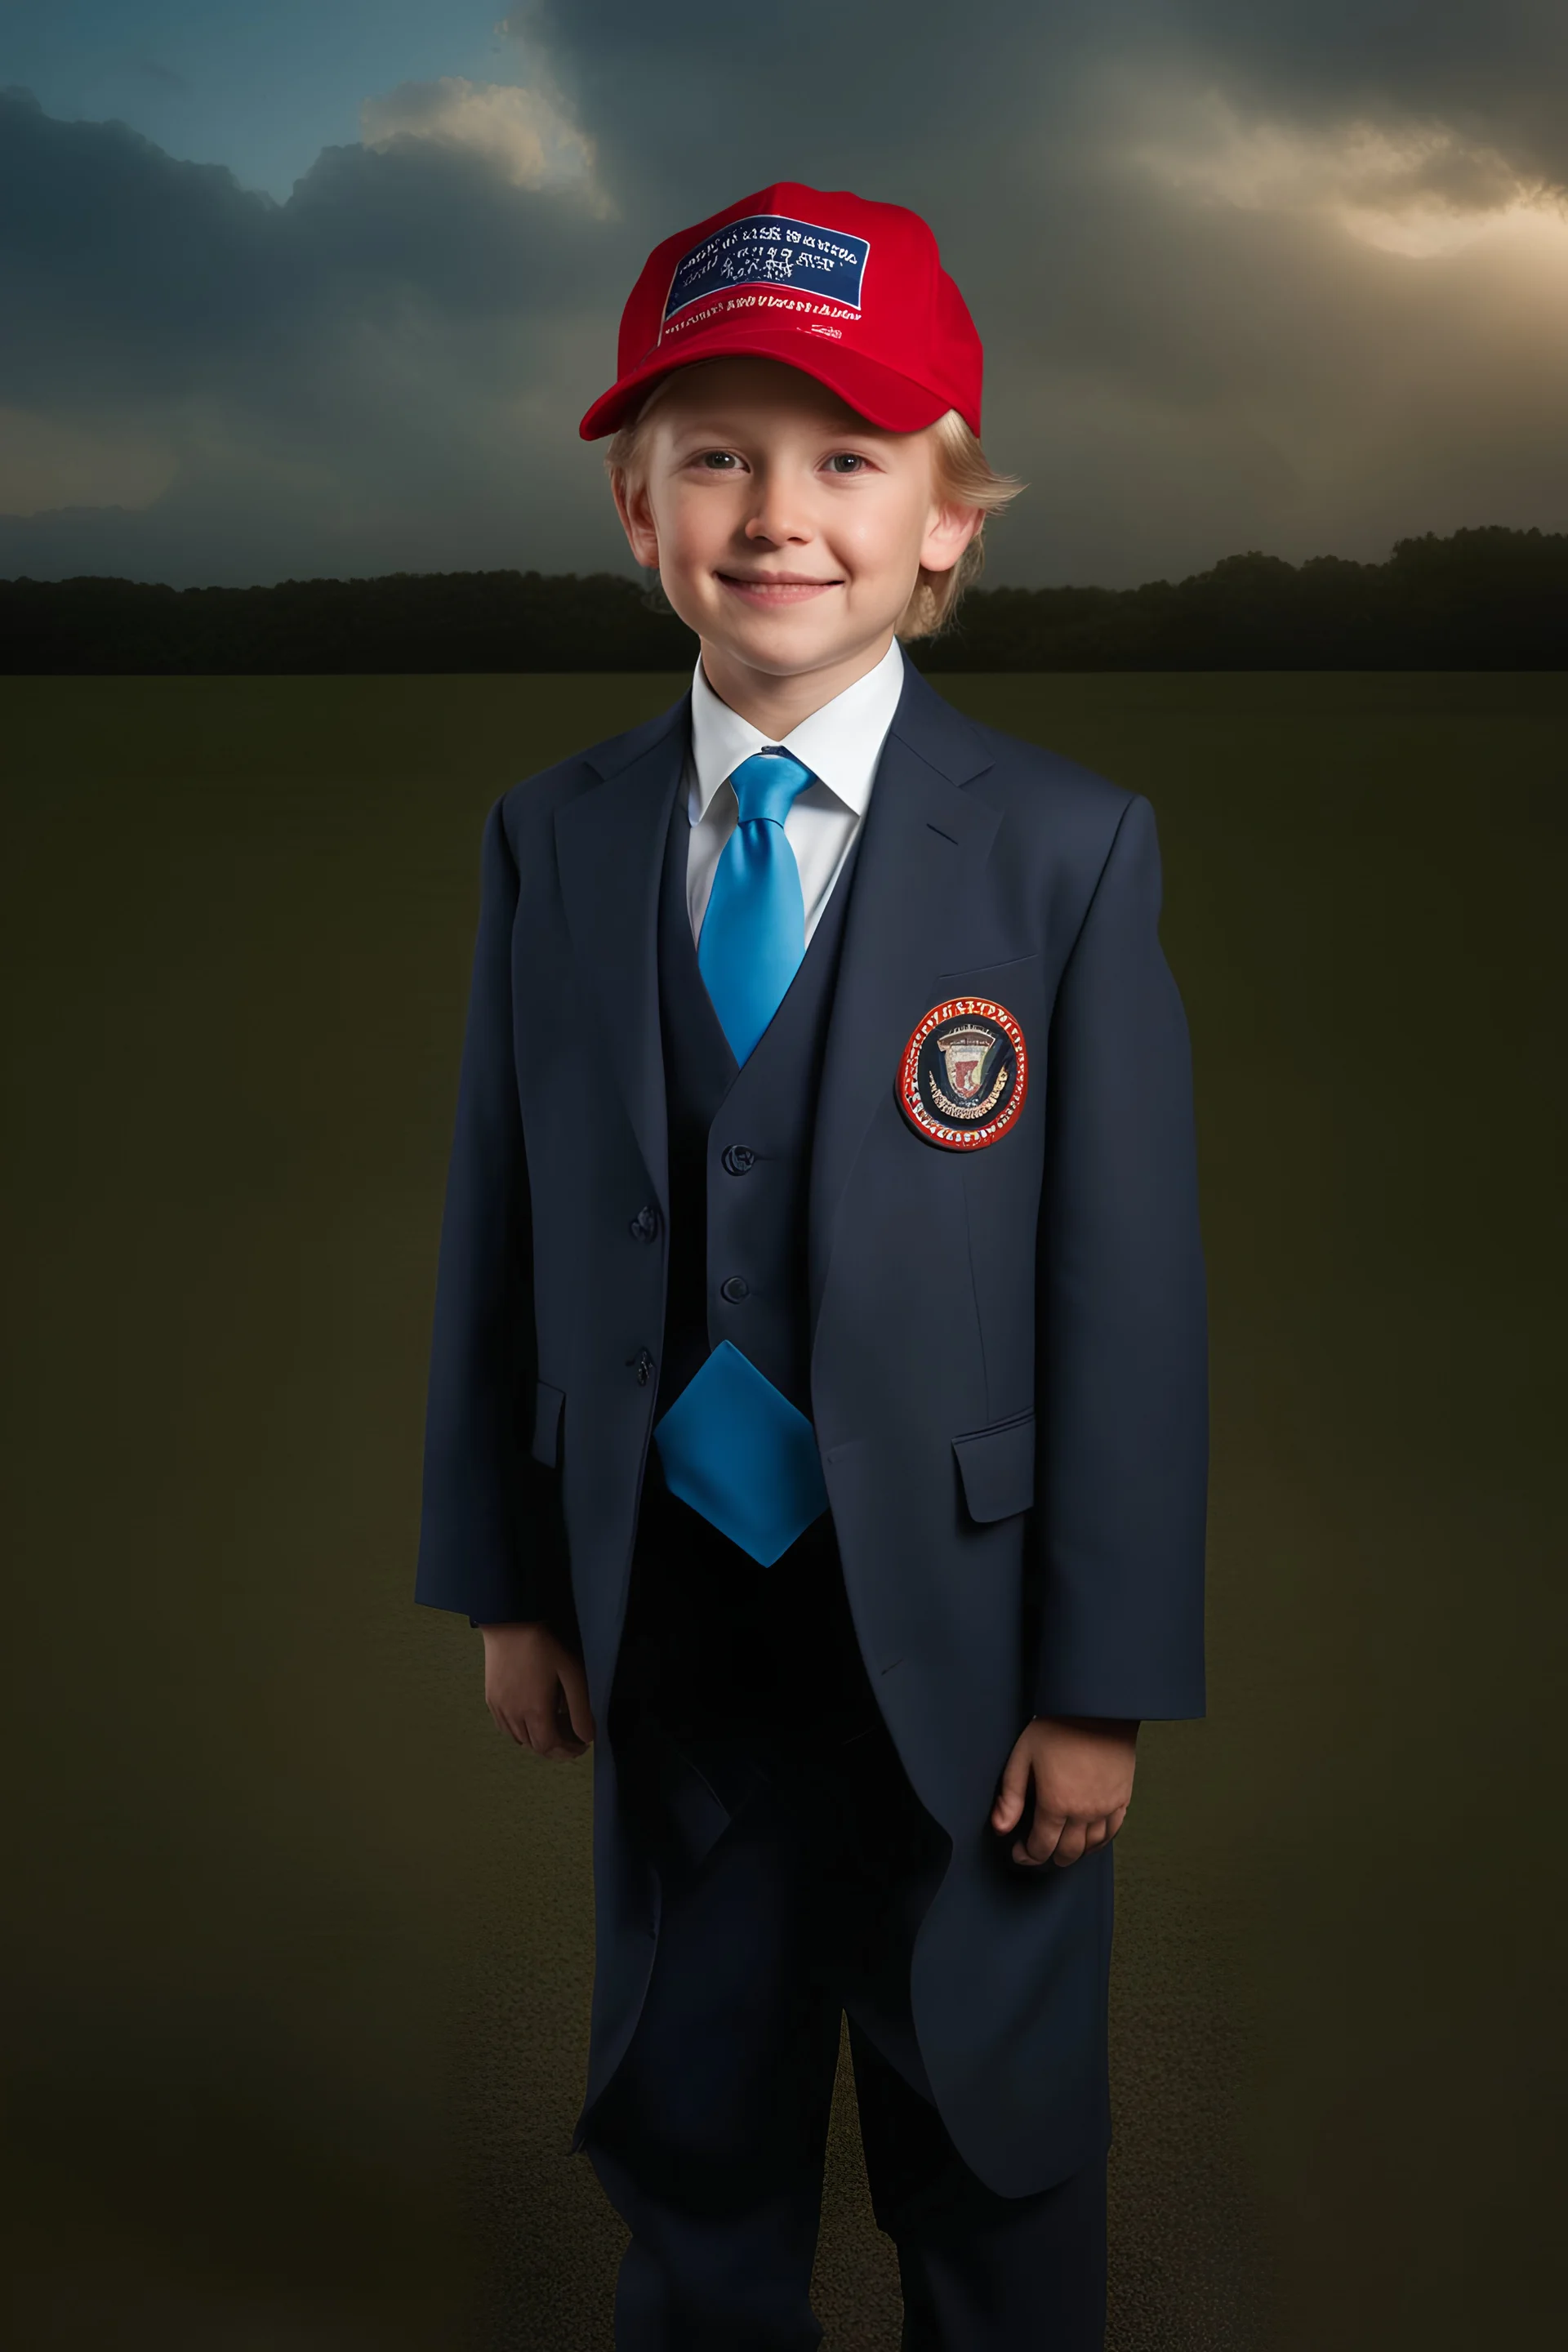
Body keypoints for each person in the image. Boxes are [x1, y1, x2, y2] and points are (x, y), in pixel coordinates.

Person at [415, 180, 1208, 2352]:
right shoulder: (552, 839)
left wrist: (1099, 1682)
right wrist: (509, 1579)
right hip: (665, 1623)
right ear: (635, 513)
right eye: (717, 458)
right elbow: (504, 1220)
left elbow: (1126, 1303)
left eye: (850, 459)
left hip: (963, 1649)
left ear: (949, 519)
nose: (783, 514)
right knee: (693, 2102)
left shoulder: (1061, 848)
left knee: (991, 2127)